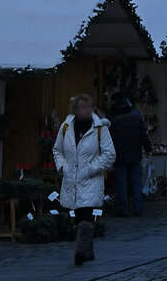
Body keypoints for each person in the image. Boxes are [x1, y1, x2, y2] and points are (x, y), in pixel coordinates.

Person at [53, 94, 116, 267]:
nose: (86, 110)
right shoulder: (66, 127)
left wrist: (91, 168)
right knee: (78, 215)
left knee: (86, 214)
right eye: (83, 107)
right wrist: (63, 167)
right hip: (71, 178)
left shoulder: (100, 128)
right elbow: (57, 150)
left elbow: (110, 154)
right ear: (75, 109)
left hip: (90, 179)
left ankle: (80, 251)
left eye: (89, 107)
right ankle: (88, 251)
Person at [109, 92, 153, 216]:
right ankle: (138, 207)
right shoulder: (137, 115)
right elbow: (143, 135)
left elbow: (110, 138)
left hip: (119, 155)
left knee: (121, 182)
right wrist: (148, 148)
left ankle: (123, 209)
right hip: (135, 154)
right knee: (136, 181)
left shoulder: (113, 118)